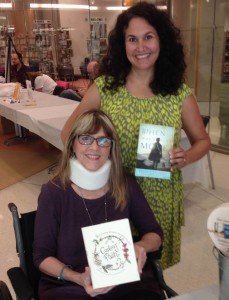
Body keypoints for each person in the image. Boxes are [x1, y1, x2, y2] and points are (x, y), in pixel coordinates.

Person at [61, 2, 211, 269]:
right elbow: (68, 134)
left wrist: (185, 157)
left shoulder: (179, 94)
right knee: (110, 265)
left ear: (161, 40)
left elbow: (203, 141)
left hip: (158, 197)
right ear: (123, 45)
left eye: (148, 37)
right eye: (132, 39)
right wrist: (93, 163)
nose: (141, 47)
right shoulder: (105, 88)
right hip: (111, 193)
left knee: (150, 269)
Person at [33, 109, 164, 300]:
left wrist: (141, 246)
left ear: (111, 147)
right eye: (86, 138)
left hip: (124, 279)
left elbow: (155, 234)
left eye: (103, 140)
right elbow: (41, 257)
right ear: (72, 145)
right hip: (69, 284)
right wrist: (77, 277)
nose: (95, 147)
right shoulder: (53, 192)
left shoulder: (125, 184)